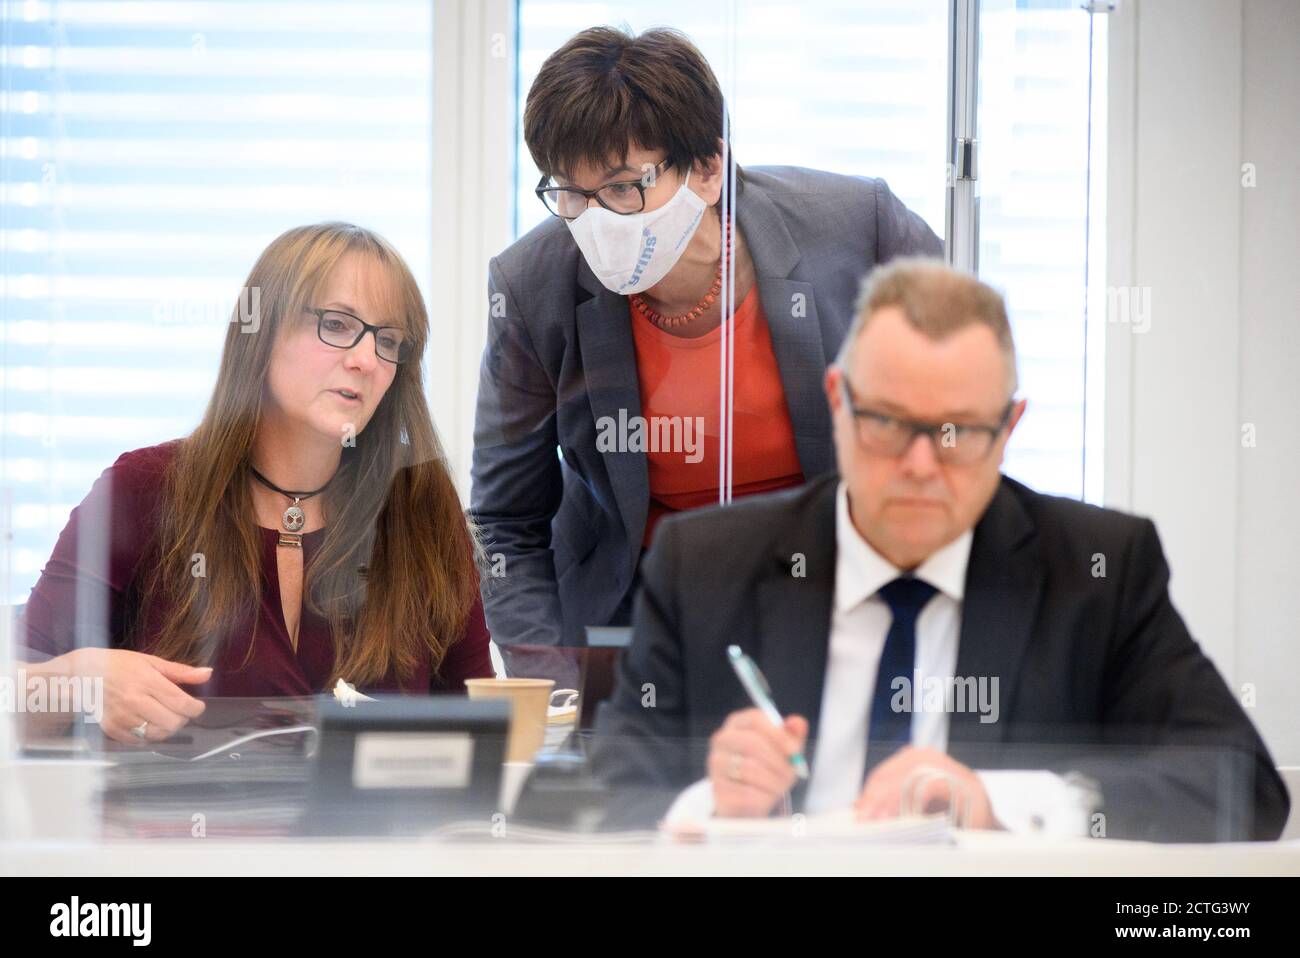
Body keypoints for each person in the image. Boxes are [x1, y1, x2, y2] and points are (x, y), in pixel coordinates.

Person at [591, 258, 1289, 842]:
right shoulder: (705, 565)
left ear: (1009, 426)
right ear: (838, 400)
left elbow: (1241, 783)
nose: (923, 465)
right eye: (890, 423)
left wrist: (1004, 804)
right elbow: (597, 802)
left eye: (959, 432)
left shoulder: (1098, 573)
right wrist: (712, 807)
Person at [471, 26, 942, 649]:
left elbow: (964, 412)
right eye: (569, 193)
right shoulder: (533, 286)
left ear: (707, 169)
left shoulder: (861, 229)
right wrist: (549, 682)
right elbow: (507, 521)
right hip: (638, 608)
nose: (597, 222)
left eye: (622, 188)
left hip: (842, 586)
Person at [17, 223, 492, 744]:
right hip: (174, 822)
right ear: (262, 332)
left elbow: (474, 725)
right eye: (336, 324)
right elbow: (14, 698)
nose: (365, 360)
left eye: (389, 341)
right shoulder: (143, 489)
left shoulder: (417, 501)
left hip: (372, 827)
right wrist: (81, 682)